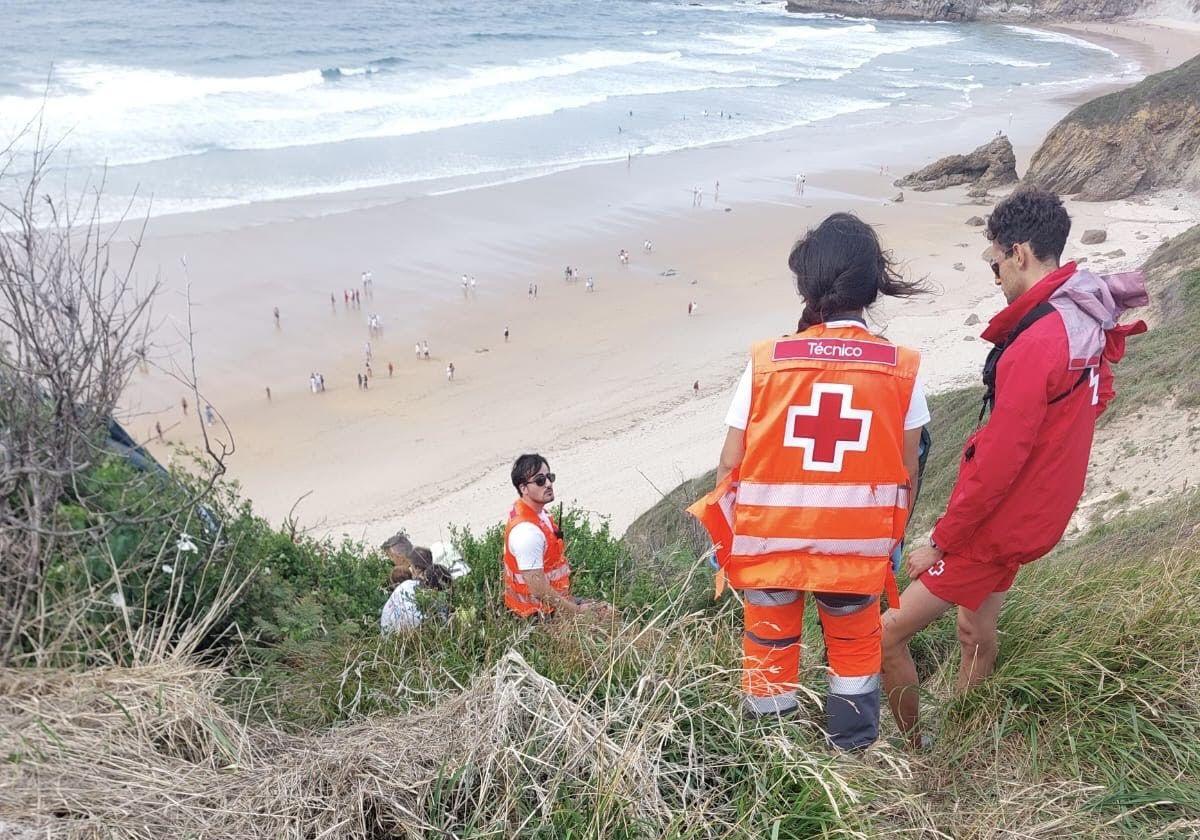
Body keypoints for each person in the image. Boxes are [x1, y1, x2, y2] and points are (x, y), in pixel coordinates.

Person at [881, 187, 1148, 748]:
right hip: (1039, 511)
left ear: (1020, 253)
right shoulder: (1083, 315)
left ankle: (919, 749)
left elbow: (999, 462)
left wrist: (942, 542)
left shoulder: (1039, 340)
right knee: (974, 627)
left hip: (997, 525)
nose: (994, 271)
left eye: (995, 258)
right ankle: (966, 726)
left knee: (884, 634)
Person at [688, 212, 929, 750]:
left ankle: (777, 766)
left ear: (809, 284)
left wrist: (727, 544)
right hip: (855, 552)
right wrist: (888, 541)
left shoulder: (767, 362)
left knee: (769, 659)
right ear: (871, 285)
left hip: (771, 546)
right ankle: (850, 758)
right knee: (853, 657)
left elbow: (730, 465)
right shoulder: (901, 367)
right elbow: (906, 474)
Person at [502, 454, 613, 620]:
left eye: (549, 477)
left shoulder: (537, 514)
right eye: (540, 480)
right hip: (537, 615)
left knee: (608, 611)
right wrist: (577, 611)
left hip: (552, 604)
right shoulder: (527, 533)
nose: (548, 484)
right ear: (523, 488)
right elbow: (538, 590)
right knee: (606, 617)